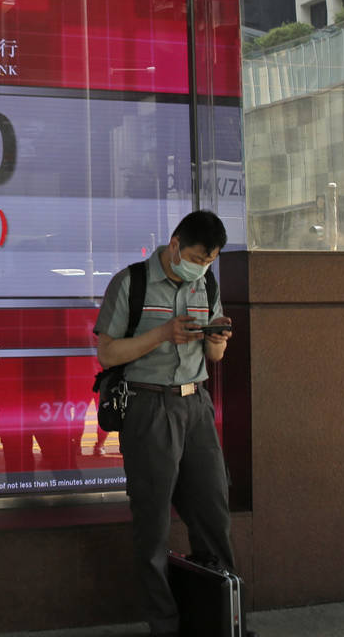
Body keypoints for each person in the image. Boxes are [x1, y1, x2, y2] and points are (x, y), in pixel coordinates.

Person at [93, 210, 238, 637]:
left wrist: (217, 341)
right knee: (154, 522)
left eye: (209, 261)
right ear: (175, 245)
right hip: (147, 407)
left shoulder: (205, 284)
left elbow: (214, 359)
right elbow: (107, 354)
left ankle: (219, 616)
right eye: (196, 257)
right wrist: (162, 334)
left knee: (213, 512)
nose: (202, 267)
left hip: (196, 407)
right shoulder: (131, 282)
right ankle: (165, 624)